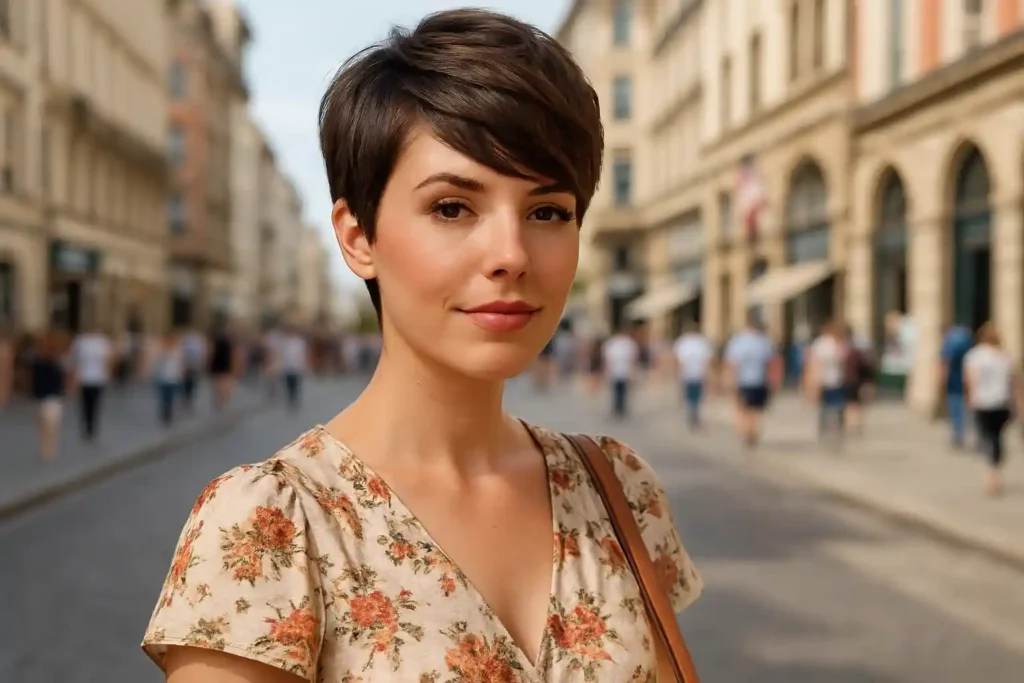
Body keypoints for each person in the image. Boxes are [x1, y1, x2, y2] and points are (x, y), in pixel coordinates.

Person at [141, 11, 702, 683]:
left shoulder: (618, 489)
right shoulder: (271, 528)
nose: (511, 254)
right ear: (357, 237)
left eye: (547, 211)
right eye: (452, 207)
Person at [963, 322, 1019, 496]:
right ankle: (994, 471)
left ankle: (991, 475)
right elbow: (1013, 382)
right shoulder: (1004, 356)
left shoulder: (975, 356)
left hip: (983, 402)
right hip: (1002, 402)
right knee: (996, 437)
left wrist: (972, 398)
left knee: (986, 437)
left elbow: (971, 379)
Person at [724, 313, 779, 448]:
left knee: (743, 408)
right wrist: (773, 381)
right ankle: (753, 431)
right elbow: (771, 363)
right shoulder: (764, 341)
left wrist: (728, 380)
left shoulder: (737, 341)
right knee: (756, 410)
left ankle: (745, 431)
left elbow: (732, 364)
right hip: (759, 380)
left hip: (742, 381)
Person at [804, 321, 848, 446]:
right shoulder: (822, 344)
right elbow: (814, 364)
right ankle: (827, 431)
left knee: (835, 407)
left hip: (835, 380)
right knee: (827, 407)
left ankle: (834, 430)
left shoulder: (837, 343)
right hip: (827, 380)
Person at [69, 324, 113, 441]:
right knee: (85, 404)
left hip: (98, 378)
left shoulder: (103, 342)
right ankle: (86, 426)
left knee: (95, 403)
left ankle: (92, 426)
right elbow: (75, 361)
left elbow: (107, 360)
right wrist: (74, 379)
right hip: (83, 378)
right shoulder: (80, 342)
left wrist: (107, 375)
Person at [29, 331, 68, 460]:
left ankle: (48, 449)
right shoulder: (38, 360)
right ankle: (46, 449)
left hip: (51, 396)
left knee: (49, 424)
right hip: (44, 395)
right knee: (44, 424)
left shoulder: (56, 360)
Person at [672, 321, 714, 430]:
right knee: (697, 397)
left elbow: (677, 360)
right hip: (698, 374)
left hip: (687, 374)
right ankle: (694, 415)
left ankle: (691, 415)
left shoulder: (682, 342)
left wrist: (676, 373)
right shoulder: (702, 342)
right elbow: (707, 360)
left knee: (689, 397)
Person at [940, 323, 974, 449]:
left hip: (954, 382)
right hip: (965, 381)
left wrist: (941, 383)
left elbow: (944, 364)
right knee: (964, 409)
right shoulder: (966, 343)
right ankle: (963, 432)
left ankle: (958, 434)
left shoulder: (949, 345)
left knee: (955, 408)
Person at [602, 324, 640, 418]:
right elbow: (607, 358)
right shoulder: (613, 343)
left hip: (624, 370)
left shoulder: (628, 343)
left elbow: (633, 357)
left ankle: (621, 408)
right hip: (616, 370)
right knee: (616, 391)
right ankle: (617, 408)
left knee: (623, 391)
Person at [151, 330, 185, 428]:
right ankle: (165, 413)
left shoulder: (178, 351)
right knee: (163, 398)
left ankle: (168, 414)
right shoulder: (162, 351)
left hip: (174, 379)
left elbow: (181, 365)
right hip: (163, 378)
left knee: (171, 398)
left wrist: (181, 375)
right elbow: (156, 363)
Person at [279, 325, 309, 411]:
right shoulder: (285, 342)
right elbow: (282, 354)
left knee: (295, 384)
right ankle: (290, 398)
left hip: (297, 366)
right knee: (288, 384)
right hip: (287, 366)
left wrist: (304, 365)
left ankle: (294, 398)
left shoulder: (300, 342)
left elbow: (303, 354)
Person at [180, 328, 207, 414]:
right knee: (187, 382)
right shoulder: (187, 342)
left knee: (191, 382)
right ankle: (187, 398)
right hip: (188, 366)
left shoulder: (199, 343)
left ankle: (189, 398)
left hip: (193, 366)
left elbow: (202, 354)